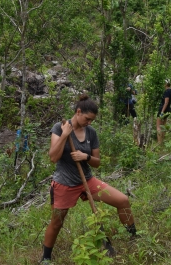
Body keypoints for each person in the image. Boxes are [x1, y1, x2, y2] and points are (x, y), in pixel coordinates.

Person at [41, 94, 137, 263]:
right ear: (78, 112)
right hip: (64, 183)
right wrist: (65, 135)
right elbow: (53, 157)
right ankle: (45, 258)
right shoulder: (59, 127)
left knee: (123, 201)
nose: (89, 122)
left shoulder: (91, 133)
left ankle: (134, 239)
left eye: (92, 120)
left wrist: (84, 156)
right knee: (57, 223)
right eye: (87, 119)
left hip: (87, 180)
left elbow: (97, 162)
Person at [156, 79, 171, 146]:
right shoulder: (170, 91)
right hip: (168, 109)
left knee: (158, 126)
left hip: (164, 109)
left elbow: (166, 102)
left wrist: (162, 111)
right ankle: (161, 141)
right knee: (163, 126)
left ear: (166, 84)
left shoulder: (167, 91)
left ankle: (159, 143)